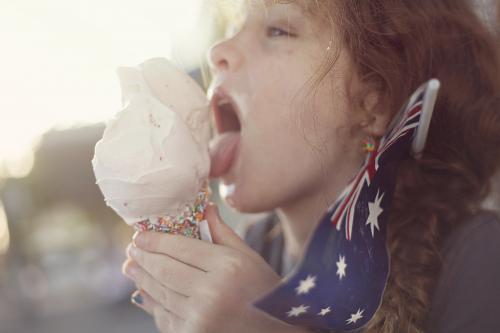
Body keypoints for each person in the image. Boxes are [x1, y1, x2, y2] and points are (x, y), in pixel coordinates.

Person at [122, 1, 500, 332]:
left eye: (278, 30)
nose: (217, 51)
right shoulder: (251, 253)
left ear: (374, 102)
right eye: (235, 27)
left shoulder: (480, 263)